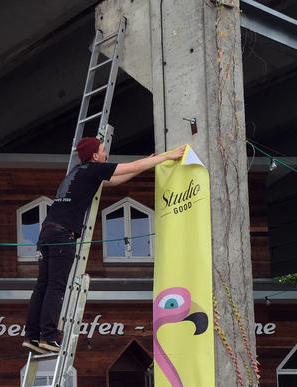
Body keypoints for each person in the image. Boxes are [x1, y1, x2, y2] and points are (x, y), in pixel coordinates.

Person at [23, 137, 186, 353]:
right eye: (102, 150)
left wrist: (146, 164)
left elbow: (117, 179)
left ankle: (31, 336)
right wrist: (166, 157)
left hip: (47, 233)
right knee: (56, 287)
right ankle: (48, 337)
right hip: (63, 236)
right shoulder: (93, 169)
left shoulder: (77, 173)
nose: (106, 154)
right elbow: (130, 166)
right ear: (94, 156)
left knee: (42, 286)